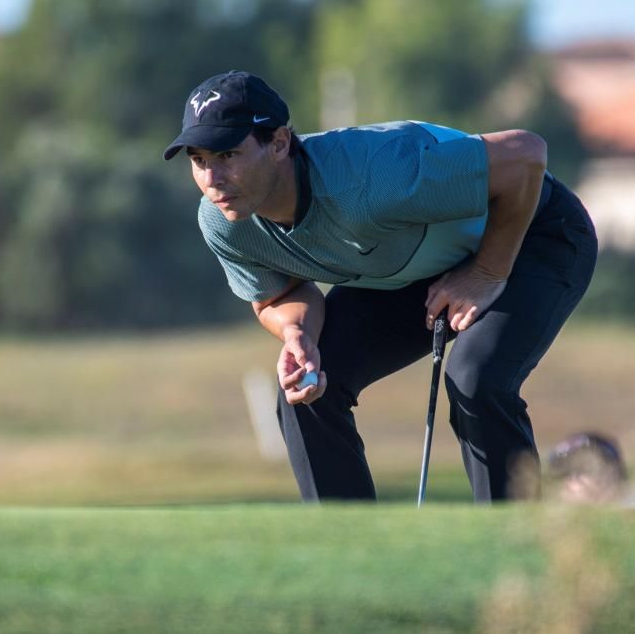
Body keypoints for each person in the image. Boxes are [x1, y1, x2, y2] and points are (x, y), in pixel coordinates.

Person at [163, 70, 598, 502]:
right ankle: (351, 555)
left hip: (533, 233)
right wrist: (298, 333)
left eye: (228, 156)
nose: (212, 179)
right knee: (309, 384)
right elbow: (280, 294)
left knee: (476, 379)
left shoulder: (375, 179)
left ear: (278, 143)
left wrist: (485, 272)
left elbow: (526, 156)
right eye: (199, 161)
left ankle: (516, 548)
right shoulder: (224, 221)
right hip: (414, 261)